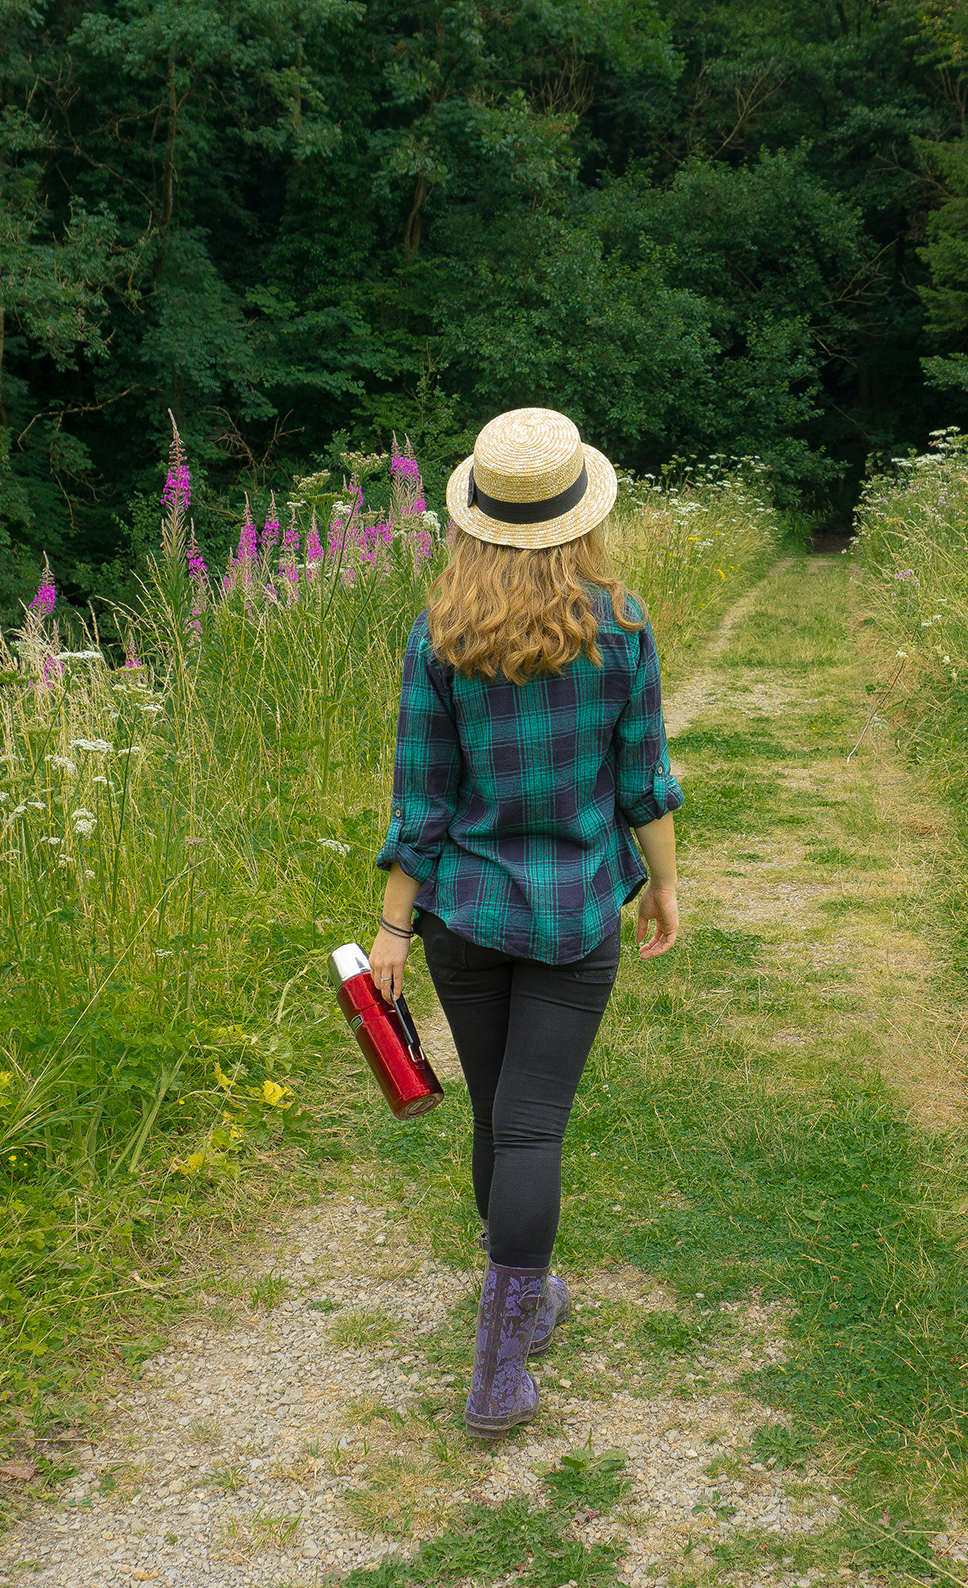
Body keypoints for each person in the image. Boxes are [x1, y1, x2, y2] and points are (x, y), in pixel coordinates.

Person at [366, 406, 682, 1439]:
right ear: (577, 513)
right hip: (576, 910)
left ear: (475, 519)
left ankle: (518, 1313)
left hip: (463, 915)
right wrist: (663, 885)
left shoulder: (439, 637)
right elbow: (643, 782)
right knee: (534, 1123)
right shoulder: (621, 627)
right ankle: (502, 1354)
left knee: (496, 1115)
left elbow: (423, 802)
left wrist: (393, 933)